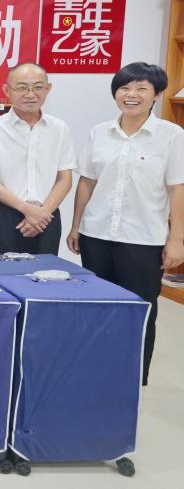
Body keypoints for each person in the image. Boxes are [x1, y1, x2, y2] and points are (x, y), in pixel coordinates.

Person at [67, 62, 184, 386]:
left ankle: (132, 380)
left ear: (156, 95)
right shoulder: (100, 132)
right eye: (124, 88)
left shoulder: (172, 136)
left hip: (143, 239)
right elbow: (87, 181)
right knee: (98, 306)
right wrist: (76, 226)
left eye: (141, 88)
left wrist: (177, 239)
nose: (131, 95)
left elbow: (177, 189)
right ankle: (97, 374)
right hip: (97, 234)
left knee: (141, 309)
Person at [0, 63, 75, 255]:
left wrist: (42, 213)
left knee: (45, 272)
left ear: (48, 89)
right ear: (7, 90)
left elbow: (65, 179)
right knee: (1, 270)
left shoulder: (59, 129)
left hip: (47, 216)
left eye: (38, 87)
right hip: (5, 215)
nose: (30, 94)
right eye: (22, 88)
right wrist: (27, 209)